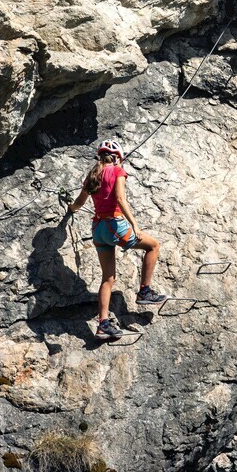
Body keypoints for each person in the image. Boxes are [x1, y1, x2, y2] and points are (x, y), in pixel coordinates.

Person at [66, 139, 166, 340]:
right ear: (118, 158)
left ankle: (103, 325)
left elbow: (78, 202)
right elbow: (120, 198)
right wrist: (135, 225)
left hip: (98, 230)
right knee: (153, 246)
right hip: (116, 225)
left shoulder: (92, 175)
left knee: (108, 278)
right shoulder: (118, 172)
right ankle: (144, 291)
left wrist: (69, 210)